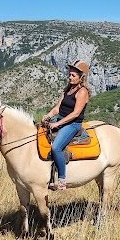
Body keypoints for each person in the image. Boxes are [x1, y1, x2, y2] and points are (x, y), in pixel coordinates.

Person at [42, 60, 92, 191]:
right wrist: (47, 116)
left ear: (81, 77)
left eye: (73, 75)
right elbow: (57, 108)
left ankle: (62, 179)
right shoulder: (68, 89)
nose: (70, 77)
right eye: (69, 74)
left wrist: (57, 123)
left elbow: (76, 113)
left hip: (73, 124)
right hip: (60, 119)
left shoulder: (82, 92)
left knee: (56, 147)